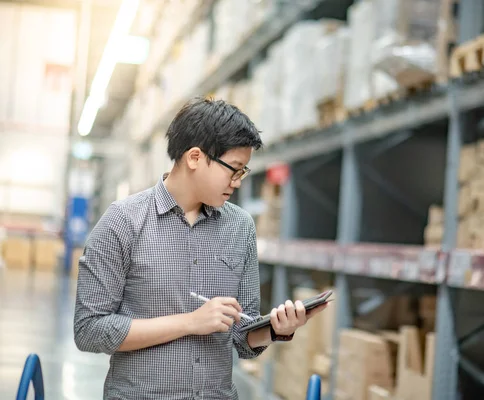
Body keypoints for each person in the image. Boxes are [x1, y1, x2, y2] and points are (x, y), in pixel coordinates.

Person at [73, 98, 327, 400]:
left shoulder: (240, 227)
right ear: (194, 157)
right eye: (233, 169)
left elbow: (243, 338)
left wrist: (275, 328)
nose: (237, 182)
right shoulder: (123, 222)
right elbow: (89, 330)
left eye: (243, 171)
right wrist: (190, 322)